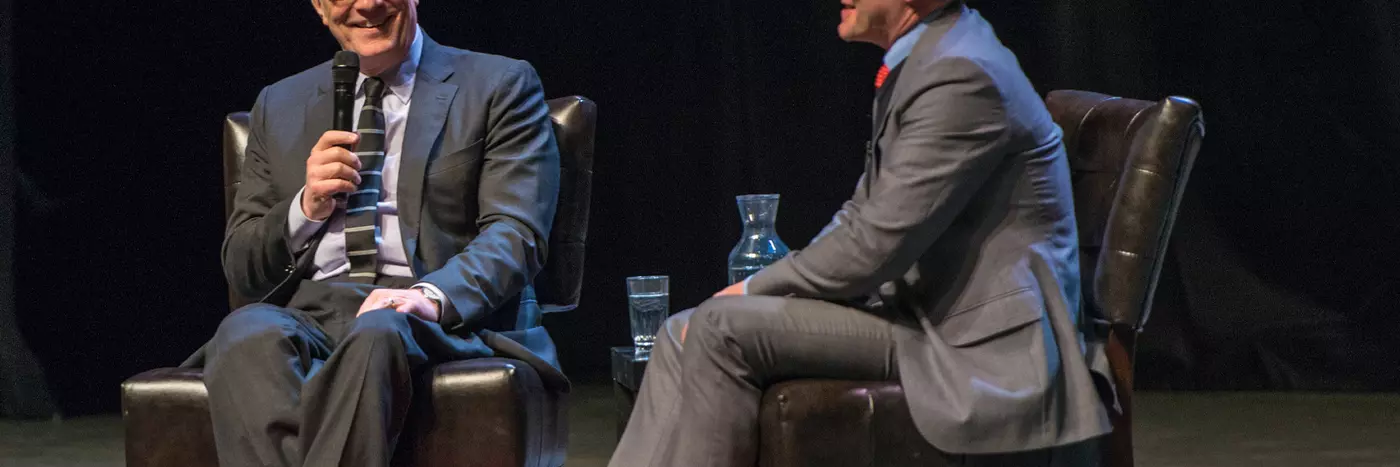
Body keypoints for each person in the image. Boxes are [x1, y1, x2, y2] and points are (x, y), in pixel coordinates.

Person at [608, 0, 1114, 466]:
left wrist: (753, 287)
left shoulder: (961, 73)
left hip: (976, 349)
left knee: (719, 325)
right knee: (682, 330)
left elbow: (875, 246)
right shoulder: (929, 58)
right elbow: (862, 215)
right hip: (920, 315)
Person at [181, 1, 563, 466]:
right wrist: (306, 207)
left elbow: (516, 232)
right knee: (244, 332)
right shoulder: (278, 104)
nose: (366, 5)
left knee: (379, 331)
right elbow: (242, 267)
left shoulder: (498, 84)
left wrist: (429, 296)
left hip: (433, 316)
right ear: (321, 8)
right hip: (314, 312)